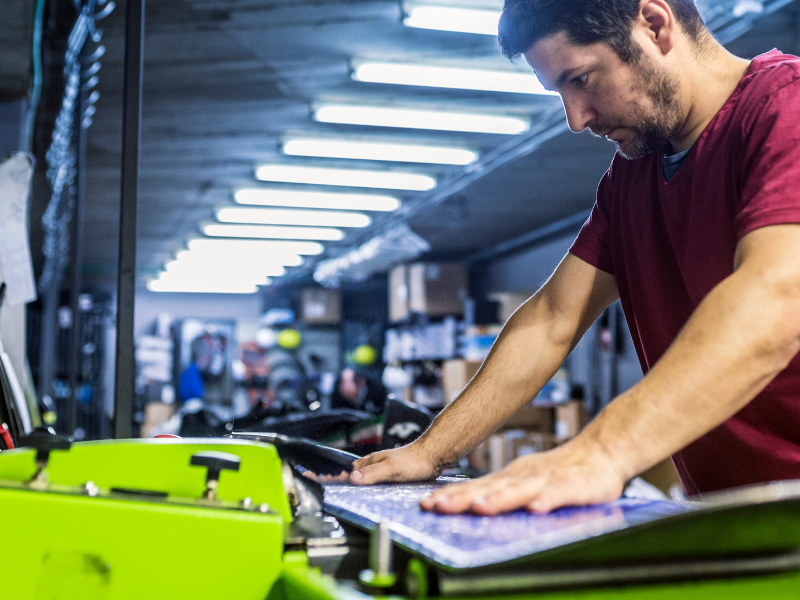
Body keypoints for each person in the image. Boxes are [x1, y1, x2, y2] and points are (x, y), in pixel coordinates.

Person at [345, 0, 800, 515]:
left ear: (654, 24)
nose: (575, 118)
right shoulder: (632, 177)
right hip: (745, 521)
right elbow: (552, 319)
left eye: (580, 79)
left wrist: (601, 451)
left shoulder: (786, 110)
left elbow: (778, 297)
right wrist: (429, 451)